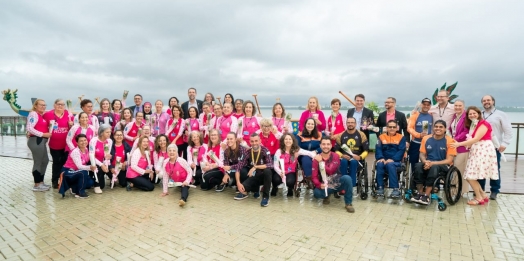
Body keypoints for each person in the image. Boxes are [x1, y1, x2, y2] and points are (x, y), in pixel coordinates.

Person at [452, 106, 499, 205]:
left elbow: (476, 138)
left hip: (483, 150)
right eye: (470, 114)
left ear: (478, 114)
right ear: (468, 116)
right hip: (477, 150)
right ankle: (483, 195)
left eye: (474, 113)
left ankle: (478, 198)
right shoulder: (474, 124)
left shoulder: (483, 124)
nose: (472, 115)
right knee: (471, 175)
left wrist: (459, 144)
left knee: (470, 176)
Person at [411, 120, 456, 205]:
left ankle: (426, 196)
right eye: (436, 127)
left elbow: (449, 160)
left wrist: (432, 163)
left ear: (445, 129)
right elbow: (422, 154)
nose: (438, 128)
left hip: (443, 165)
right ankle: (420, 193)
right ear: (433, 128)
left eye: (441, 127)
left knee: (434, 168)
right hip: (428, 163)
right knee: (418, 166)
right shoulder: (426, 138)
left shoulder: (450, 141)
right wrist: (425, 161)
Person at [479, 95, 512, 200]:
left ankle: (494, 191)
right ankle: (480, 190)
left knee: (495, 169)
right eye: (484, 101)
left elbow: (508, 130)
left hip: (494, 147)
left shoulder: (501, 114)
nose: (486, 102)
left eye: (488, 100)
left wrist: (505, 143)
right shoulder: (479, 114)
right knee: (480, 169)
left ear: (493, 101)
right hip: (480, 147)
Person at [312, 137, 355, 213]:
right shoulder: (316, 159)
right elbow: (314, 177)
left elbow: (331, 171)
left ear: (331, 146)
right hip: (325, 185)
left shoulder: (335, 156)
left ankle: (348, 203)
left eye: (328, 144)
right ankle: (327, 195)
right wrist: (319, 185)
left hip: (336, 183)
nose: (326, 146)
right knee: (316, 193)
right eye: (324, 144)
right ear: (320, 146)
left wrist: (321, 161)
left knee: (347, 178)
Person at [233, 133, 273, 207]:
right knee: (243, 170)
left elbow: (270, 164)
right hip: (253, 176)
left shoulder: (265, 150)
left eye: (256, 141)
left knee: (268, 171)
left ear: (260, 141)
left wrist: (256, 167)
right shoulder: (247, 152)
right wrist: (238, 183)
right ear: (250, 142)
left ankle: (265, 197)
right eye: (252, 141)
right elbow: (238, 167)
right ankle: (248, 191)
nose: (254, 143)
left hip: (262, 176)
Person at [43, 99, 72, 189]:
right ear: (54, 105)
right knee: (56, 162)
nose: (60, 106)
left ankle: (63, 180)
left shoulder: (68, 114)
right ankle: (55, 180)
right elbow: (41, 124)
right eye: (58, 104)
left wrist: (71, 124)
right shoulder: (48, 114)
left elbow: (74, 126)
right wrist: (30, 132)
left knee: (65, 163)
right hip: (54, 145)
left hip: (66, 145)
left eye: (62, 104)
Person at [333, 117, 369, 187]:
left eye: (352, 122)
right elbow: (336, 150)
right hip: (344, 158)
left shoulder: (361, 135)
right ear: (346, 124)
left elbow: (366, 150)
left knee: (353, 162)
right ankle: (343, 184)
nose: (350, 124)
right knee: (343, 161)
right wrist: (342, 155)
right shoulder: (341, 135)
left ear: (355, 124)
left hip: (357, 159)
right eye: (348, 123)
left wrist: (360, 157)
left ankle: (352, 185)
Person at [375, 120, 406, 198]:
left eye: (394, 127)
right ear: (386, 128)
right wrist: (381, 158)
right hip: (383, 160)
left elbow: (401, 150)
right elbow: (378, 149)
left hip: (396, 161)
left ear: (397, 128)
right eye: (390, 127)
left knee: (390, 164)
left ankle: (395, 189)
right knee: (379, 164)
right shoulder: (381, 137)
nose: (392, 128)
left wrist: (393, 159)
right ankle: (380, 187)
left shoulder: (401, 137)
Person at [27, 99, 52, 192]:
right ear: (35, 106)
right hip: (36, 141)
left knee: (45, 160)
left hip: (41, 141)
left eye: (44, 105)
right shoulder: (33, 114)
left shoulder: (41, 116)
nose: (43, 106)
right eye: (41, 105)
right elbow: (29, 127)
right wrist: (43, 134)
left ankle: (41, 182)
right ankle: (37, 184)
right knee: (38, 162)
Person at [59, 134, 96, 198]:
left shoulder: (87, 149)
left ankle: (74, 187)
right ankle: (80, 192)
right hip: (68, 171)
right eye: (81, 141)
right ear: (77, 143)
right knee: (83, 172)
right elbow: (79, 166)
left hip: (77, 172)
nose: (84, 142)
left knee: (90, 182)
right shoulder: (75, 152)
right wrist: (90, 167)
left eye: (85, 140)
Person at [448, 100, 470, 195]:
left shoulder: (466, 116)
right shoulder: (455, 116)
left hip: (462, 147)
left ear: (464, 106)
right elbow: (451, 129)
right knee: (456, 167)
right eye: (456, 105)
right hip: (454, 146)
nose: (457, 107)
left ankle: (459, 190)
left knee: (460, 168)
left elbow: (466, 131)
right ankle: (456, 189)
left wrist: (455, 139)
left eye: (459, 105)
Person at [407, 98, 433, 171]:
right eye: (424, 104)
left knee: (427, 163)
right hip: (416, 143)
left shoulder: (431, 116)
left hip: (427, 144)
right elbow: (409, 128)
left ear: (430, 106)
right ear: (421, 105)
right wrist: (419, 135)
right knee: (414, 163)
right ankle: (413, 180)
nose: (426, 106)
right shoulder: (415, 115)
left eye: (428, 105)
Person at [296, 118, 322, 187]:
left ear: (314, 125)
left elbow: (323, 146)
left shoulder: (319, 135)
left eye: (312, 124)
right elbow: (298, 148)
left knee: (320, 159)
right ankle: (310, 179)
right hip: (303, 155)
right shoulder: (300, 135)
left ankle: (321, 179)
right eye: (308, 124)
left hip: (316, 154)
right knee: (306, 158)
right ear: (305, 125)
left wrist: (316, 151)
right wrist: (309, 153)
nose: (310, 125)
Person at [88, 124, 113, 194]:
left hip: (104, 161)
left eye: (110, 132)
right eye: (107, 132)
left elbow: (107, 154)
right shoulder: (94, 141)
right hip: (94, 162)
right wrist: (102, 165)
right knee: (101, 185)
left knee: (112, 171)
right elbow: (92, 156)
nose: (109, 134)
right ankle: (96, 184)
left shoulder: (109, 141)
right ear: (101, 133)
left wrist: (106, 162)